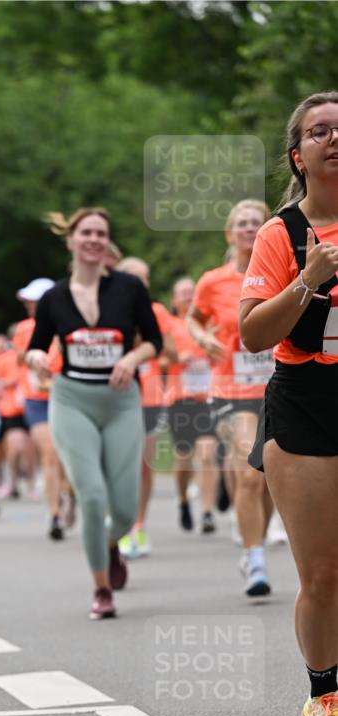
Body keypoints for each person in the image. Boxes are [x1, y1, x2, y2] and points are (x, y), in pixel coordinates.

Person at [240, 91, 338, 716]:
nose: (333, 139)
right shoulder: (281, 234)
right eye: (319, 131)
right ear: (297, 155)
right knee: (322, 574)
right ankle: (323, 693)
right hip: (304, 404)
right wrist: (306, 279)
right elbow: (249, 333)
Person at [27, 207, 162, 619]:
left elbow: (154, 341)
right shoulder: (54, 297)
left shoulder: (128, 288)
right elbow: (36, 344)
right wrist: (34, 359)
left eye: (101, 233)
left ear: (107, 243)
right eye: (85, 232)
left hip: (120, 400)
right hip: (72, 400)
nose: (93, 239)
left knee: (122, 508)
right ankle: (101, 588)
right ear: (70, 240)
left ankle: (108, 544)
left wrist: (132, 358)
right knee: (91, 495)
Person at [187, 199, 275, 596]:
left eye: (257, 222)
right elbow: (193, 317)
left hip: (277, 387)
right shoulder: (213, 281)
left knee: (270, 477)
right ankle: (255, 559)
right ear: (230, 233)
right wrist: (204, 337)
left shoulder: (284, 273)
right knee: (249, 470)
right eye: (241, 223)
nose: (249, 228)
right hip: (230, 390)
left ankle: (252, 544)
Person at [115, 257, 177, 558]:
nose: (141, 284)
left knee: (144, 465)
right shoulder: (108, 309)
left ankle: (138, 525)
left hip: (150, 396)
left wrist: (151, 342)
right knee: (118, 465)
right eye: (135, 278)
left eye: (145, 278)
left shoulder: (158, 312)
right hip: (118, 396)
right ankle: (118, 522)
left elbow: (172, 351)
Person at [12, 278, 71, 540]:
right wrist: (33, 357)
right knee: (50, 453)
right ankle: (54, 513)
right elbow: (18, 358)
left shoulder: (68, 323)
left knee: (67, 458)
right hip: (37, 399)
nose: (30, 305)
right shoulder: (24, 329)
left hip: (66, 397)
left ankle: (70, 493)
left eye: (34, 301)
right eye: (28, 301)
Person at [165, 276, 218, 533]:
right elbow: (159, 361)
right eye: (182, 292)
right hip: (180, 398)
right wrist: (178, 358)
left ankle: (207, 513)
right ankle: (184, 499)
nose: (187, 296)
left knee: (207, 451)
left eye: (191, 292)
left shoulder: (208, 323)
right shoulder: (170, 325)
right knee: (184, 456)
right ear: (174, 300)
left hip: (207, 397)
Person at [0, 331, 36, 500]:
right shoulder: (4, 359)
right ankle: (13, 482)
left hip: (32, 405)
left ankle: (31, 483)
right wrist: (8, 383)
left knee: (29, 449)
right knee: (15, 447)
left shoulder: (35, 356)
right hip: (11, 409)